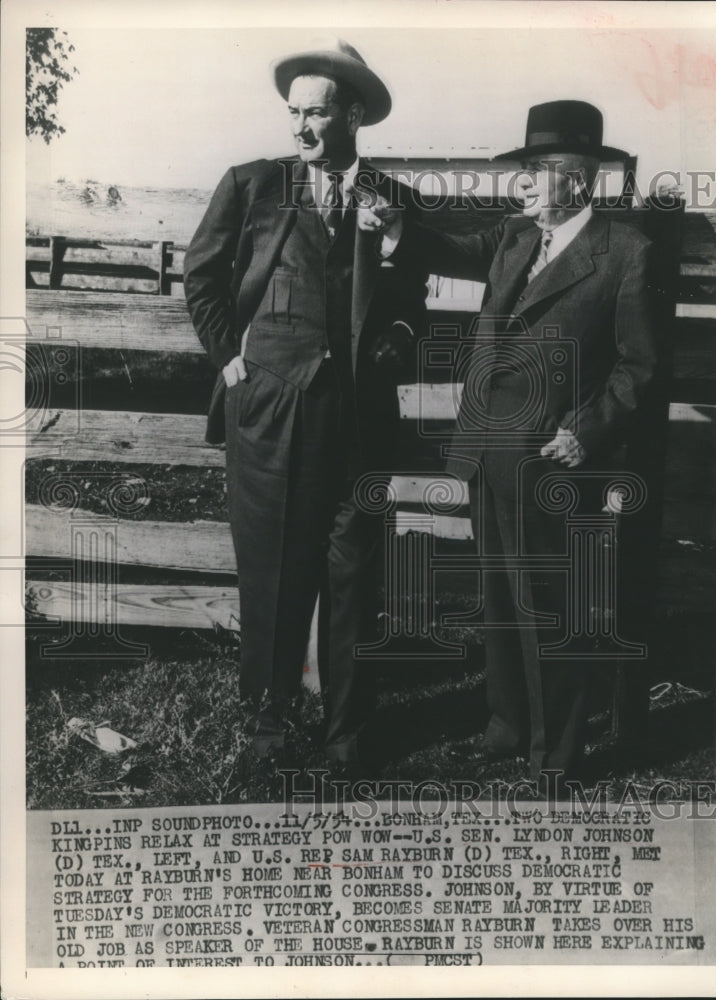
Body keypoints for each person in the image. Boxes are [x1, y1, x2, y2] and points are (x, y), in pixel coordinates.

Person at [360, 100, 658, 793]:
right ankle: (508, 726)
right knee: (499, 596)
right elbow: (449, 247)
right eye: (523, 169)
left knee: (549, 608)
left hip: (554, 456)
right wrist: (397, 217)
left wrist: (587, 430)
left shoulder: (625, 253)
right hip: (488, 448)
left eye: (537, 171)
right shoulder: (518, 238)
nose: (523, 183)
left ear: (579, 179)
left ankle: (557, 755)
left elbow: (641, 366)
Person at [184, 39, 428, 769]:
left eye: (315, 113)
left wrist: (395, 327)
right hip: (272, 419)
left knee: (354, 579)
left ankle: (347, 733)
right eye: (293, 113)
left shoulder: (395, 201)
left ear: (353, 113)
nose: (300, 127)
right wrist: (232, 361)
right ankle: (270, 722)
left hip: (359, 425)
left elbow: (412, 306)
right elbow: (201, 278)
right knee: (275, 572)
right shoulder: (255, 186)